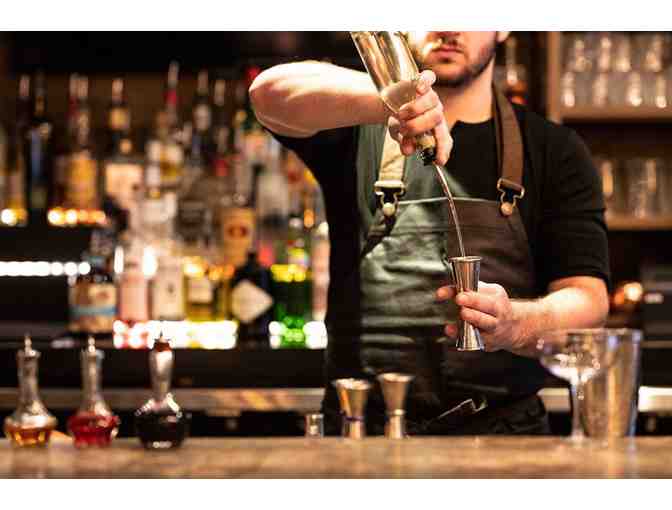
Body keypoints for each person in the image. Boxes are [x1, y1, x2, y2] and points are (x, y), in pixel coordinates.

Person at [249, 31, 610, 435]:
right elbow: (266, 94)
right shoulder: (354, 129)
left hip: (505, 438)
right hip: (364, 436)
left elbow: (588, 302)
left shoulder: (553, 149)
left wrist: (515, 324)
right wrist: (391, 100)